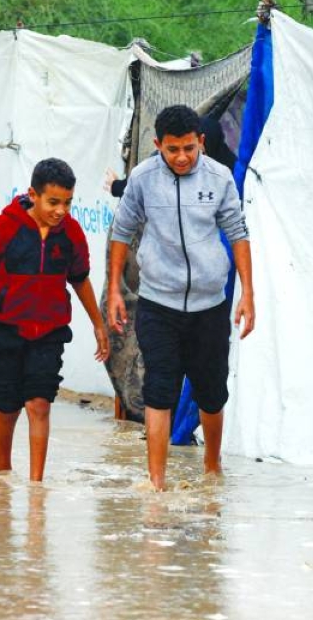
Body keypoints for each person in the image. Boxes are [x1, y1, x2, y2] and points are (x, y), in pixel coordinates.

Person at [105, 105, 255, 491]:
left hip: (209, 305)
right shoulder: (142, 179)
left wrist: (247, 294)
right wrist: (114, 293)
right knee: (159, 390)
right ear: (158, 146)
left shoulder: (220, 178)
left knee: (212, 392)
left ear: (201, 142)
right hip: (158, 304)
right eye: (173, 150)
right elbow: (121, 232)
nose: (183, 157)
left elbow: (238, 233)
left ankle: (211, 468)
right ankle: (156, 484)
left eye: (189, 148)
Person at [0, 158, 110, 483]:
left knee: (40, 403)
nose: (61, 210)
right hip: (7, 330)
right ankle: (3, 470)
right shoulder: (5, 227)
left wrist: (98, 324)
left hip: (50, 331)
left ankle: (36, 486)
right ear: (33, 194)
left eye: (68, 202)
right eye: (54, 202)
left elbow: (80, 279)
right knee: (8, 404)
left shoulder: (71, 234)